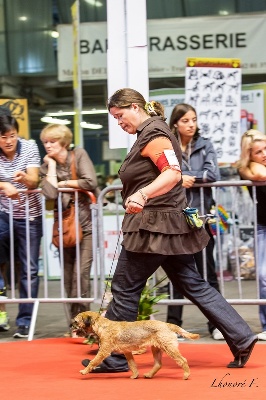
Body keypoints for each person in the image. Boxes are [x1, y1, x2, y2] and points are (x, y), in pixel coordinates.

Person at [81, 88, 257, 373]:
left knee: (125, 289)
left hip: (153, 228)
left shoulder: (154, 135)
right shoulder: (151, 133)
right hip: (167, 227)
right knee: (194, 285)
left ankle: (114, 358)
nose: (119, 122)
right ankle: (242, 337)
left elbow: (172, 173)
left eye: (120, 115)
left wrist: (142, 194)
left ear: (135, 107)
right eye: (114, 118)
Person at [166, 103, 224, 340]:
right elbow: (162, 175)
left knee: (207, 273)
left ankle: (217, 324)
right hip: (174, 217)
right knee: (175, 271)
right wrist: (179, 178)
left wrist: (189, 177)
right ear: (176, 124)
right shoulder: (167, 146)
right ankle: (173, 325)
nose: (191, 124)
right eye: (186, 120)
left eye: (194, 120)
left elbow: (213, 174)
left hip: (202, 217)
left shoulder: (205, 144)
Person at [39, 124, 98, 329]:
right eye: (45, 142)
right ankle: (75, 326)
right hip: (64, 229)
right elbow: (50, 194)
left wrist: (63, 184)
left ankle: (86, 325)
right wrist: (53, 168)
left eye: (52, 141)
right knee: (68, 277)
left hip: (86, 225)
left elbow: (90, 181)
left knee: (81, 275)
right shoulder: (47, 166)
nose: (48, 145)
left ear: (63, 142)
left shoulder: (78, 154)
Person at [0, 114, 43, 338]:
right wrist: (4, 184)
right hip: (3, 214)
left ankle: (26, 321)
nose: (8, 141)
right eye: (3, 137)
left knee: (29, 270)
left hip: (30, 216)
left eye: (12, 135)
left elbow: (35, 180)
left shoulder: (29, 147)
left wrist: (24, 178)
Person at [237, 129, 266, 341]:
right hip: (263, 226)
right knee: (264, 276)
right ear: (249, 154)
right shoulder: (246, 168)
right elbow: (258, 174)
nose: (264, 153)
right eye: (258, 151)